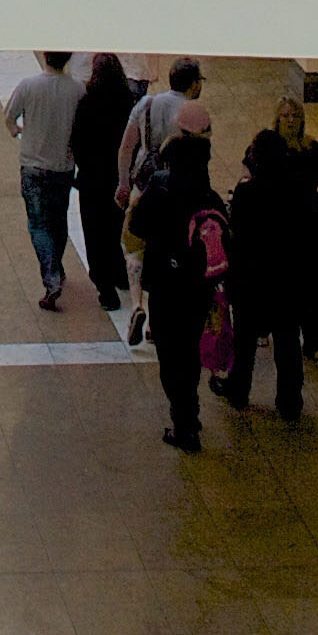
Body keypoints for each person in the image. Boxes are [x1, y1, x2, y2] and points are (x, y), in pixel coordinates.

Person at [228, 108, 318, 422]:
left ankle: (238, 390)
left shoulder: (246, 193)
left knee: (244, 340)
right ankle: (289, 400)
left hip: (253, 278)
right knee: (288, 341)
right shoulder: (298, 191)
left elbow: (238, 235)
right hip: (288, 277)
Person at [134, 122, 224, 451]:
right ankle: (190, 412)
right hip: (198, 288)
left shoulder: (159, 188)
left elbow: (137, 225)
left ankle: (183, 422)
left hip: (165, 284)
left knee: (170, 356)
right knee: (188, 352)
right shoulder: (208, 195)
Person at [6, 50, 88, 310]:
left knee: (38, 224)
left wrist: (16, 130)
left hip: (33, 164)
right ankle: (58, 267)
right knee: (58, 219)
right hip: (63, 166)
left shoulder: (29, 86)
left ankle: (51, 277)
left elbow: (10, 115)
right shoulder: (77, 89)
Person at [68, 52, 136, 318]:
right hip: (118, 177)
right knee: (115, 228)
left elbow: (77, 141)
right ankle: (120, 274)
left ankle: (105, 287)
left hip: (92, 179)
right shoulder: (127, 102)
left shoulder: (87, 103)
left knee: (94, 233)